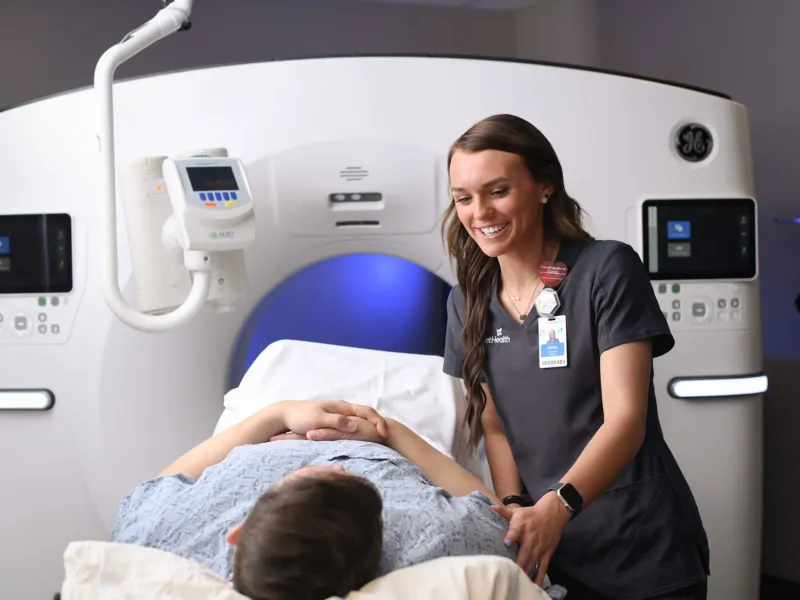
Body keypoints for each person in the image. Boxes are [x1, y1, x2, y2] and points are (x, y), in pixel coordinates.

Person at [440, 113, 710, 600]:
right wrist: (516, 513)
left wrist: (556, 507)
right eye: (463, 197)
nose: (479, 212)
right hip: (551, 549)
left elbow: (626, 421)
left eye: (497, 191)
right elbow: (496, 426)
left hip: (639, 544)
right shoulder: (467, 302)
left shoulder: (606, 269)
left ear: (544, 186)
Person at [109, 399, 552, 600]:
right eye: (342, 480)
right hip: (378, 436)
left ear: (238, 531)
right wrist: (386, 433)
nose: (336, 467)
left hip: (267, 426)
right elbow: (500, 513)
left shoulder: (161, 533)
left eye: (296, 482)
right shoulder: (438, 535)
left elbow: (161, 482)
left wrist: (276, 414)